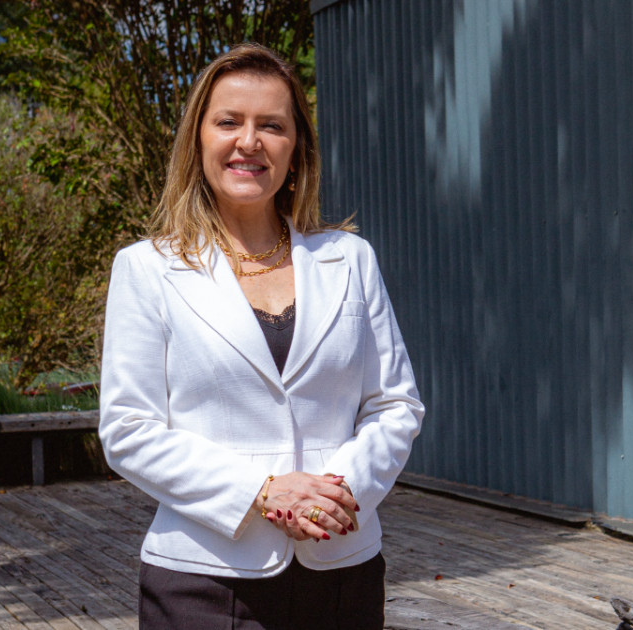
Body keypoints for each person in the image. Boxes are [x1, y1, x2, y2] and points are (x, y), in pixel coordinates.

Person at [98, 42, 424, 629]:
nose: (249, 141)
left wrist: (335, 495)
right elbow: (128, 431)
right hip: (202, 580)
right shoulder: (145, 269)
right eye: (229, 121)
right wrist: (263, 491)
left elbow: (395, 404)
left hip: (342, 571)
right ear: (198, 140)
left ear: (296, 147)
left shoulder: (350, 259)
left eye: (271, 125)